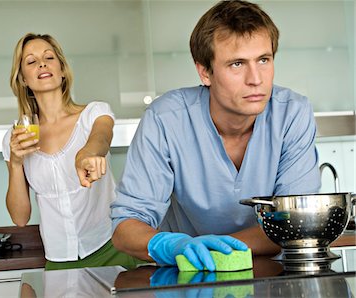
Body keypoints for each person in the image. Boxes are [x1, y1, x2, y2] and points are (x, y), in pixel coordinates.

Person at [110, 0, 353, 272]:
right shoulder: (166, 119)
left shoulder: (292, 113)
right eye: (237, 64)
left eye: (264, 60)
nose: (255, 79)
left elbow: (293, 225)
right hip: (186, 276)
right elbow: (125, 228)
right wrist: (172, 246)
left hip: (271, 278)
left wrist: (209, 247)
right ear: (205, 72)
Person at [2, 33, 142, 270]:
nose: (42, 64)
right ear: (23, 79)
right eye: (31, 61)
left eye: (49, 57)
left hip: (112, 247)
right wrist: (15, 163)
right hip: (59, 261)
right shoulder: (15, 138)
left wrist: (86, 153)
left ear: (63, 70)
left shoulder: (93, 114)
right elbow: (20, 218)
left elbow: (101, 137)